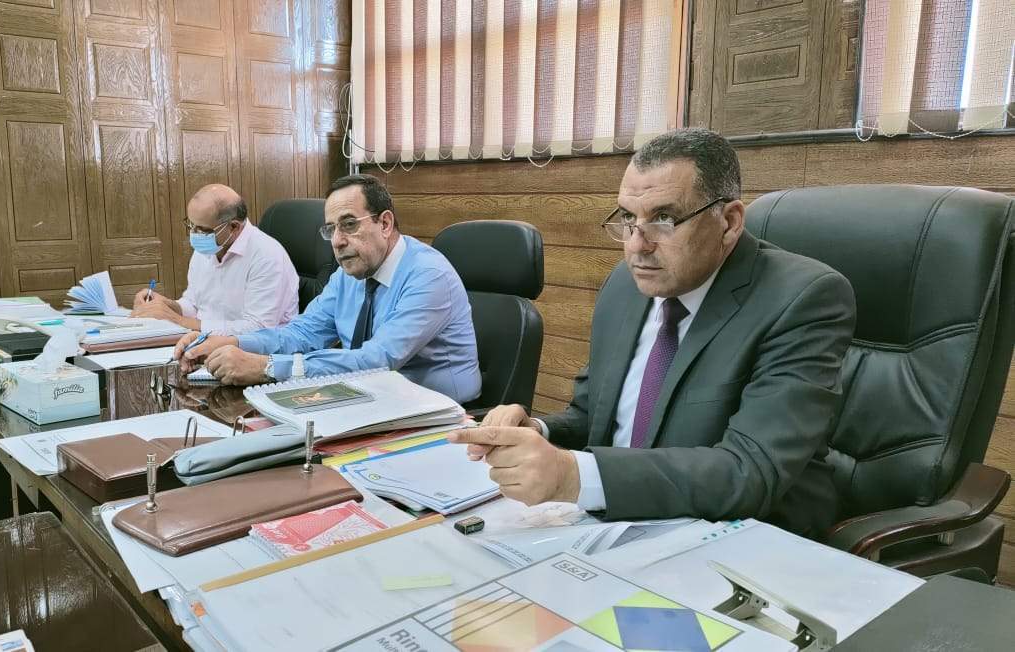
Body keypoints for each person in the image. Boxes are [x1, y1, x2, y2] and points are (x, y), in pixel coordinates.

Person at [449, 128, 855, 538]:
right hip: (621, 521)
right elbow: (593, 415)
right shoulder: (625, 286)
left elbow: (749, 470)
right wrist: (538, 431)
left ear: (729, 222)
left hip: (743, 536)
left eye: (663, 219)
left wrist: (574, 475)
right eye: (628, 218)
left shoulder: (802, 298)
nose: (636, 246)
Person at [176, 174, 482, 404]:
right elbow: (301, 333)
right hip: (374, 397)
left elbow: (377, 361)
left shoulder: (428, 275)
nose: (337, 241)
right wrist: (228, 342)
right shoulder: (351, 272)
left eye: (349, 225)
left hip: (440, 411)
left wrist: (266, 367)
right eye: (331, 229)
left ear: (385, 224)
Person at [129, 184, 298, 335]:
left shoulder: (267, 256)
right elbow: (194, 304)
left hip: (253, 350)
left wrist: (178, 320)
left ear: (234, 227)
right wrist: (167, 305)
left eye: (203, 229)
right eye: (191, 225)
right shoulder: (208, 247)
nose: (194, 234)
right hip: (206, 339)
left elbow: (258, 329)